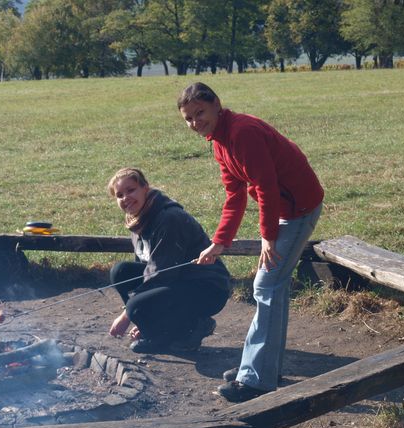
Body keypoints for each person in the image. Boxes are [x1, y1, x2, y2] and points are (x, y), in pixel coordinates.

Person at [177, 82, 324, 402]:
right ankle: (264, 366)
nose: (194, 123)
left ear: (217, 104)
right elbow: (235, 196)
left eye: (199, 113)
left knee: (266, 285)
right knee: (274, 286)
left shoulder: (243, 133)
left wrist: (268, 238)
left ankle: (256, 379)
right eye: (188, 118)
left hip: (298, 208)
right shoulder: (218, 141)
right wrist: (219, 242)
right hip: (284, 209)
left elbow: (267, 188)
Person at [107, 167, 231, 353]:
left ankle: (185, 331)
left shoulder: (169, 218)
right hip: (177, 280)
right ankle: (155, 330)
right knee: (121, 272)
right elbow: (146, 266)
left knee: (135, 305)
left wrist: (127, 316)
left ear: (145, 189)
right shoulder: (138, 220)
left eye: (131, 190)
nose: (125, 198)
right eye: (119, 195)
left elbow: (160, 274)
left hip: (206, 287)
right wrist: (140, 317)